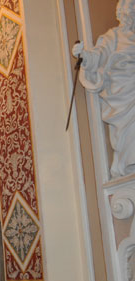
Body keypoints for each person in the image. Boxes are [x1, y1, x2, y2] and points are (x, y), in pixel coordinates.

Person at [72, 0, 135, 177]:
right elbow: (98, 55)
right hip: (125, 90)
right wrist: (83, 54)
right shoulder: (113, 36)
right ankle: (130, 162)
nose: (132, 13)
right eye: (129, 9)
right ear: (122, 13)